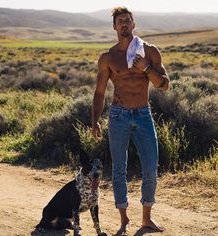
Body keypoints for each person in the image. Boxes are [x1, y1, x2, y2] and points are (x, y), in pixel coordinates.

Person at [92, 6, 170, 235]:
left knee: (150, 169)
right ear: (114, 26)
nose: (124, 24)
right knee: (119, 170)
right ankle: (124, 220)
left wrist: (145, 68)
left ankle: (146, 219)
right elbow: (99, 92)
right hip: (118, 116)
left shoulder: (150, 51)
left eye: (128, 20)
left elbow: (164, 85)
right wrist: (95, 120)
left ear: (134, 24)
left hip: (143, 114)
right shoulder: (108, 57)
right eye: (120, 21)